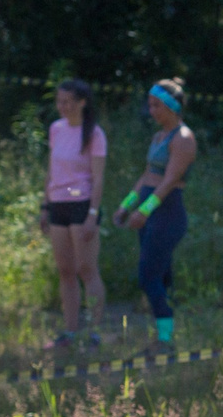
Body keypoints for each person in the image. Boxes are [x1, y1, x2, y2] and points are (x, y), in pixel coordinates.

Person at [113, 78, 197, 346]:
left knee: (148, 275)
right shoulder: (158, 137)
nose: (152, 111)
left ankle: (165, 338)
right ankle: (168, 331)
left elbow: (169, 181)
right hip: (151, 213)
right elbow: (147, 176)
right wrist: (127, 205)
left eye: (157, 106)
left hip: (168, 214)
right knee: (162, 275)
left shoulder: (183, 139)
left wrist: (145, 211)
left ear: (172, 107)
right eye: (150, 105)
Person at [38, 79, 107, 346]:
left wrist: (92, 214)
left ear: (82, 103)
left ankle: (95, 331)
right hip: (58, 204)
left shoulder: (94, 134)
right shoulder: (56, 129)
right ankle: (70, 330)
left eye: (68, 101)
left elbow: (98, 178)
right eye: (59, 101)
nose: (62, 107)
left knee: (86, 268)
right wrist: (45, 205)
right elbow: (51, 171)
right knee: (65, 269)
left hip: (82, 203)